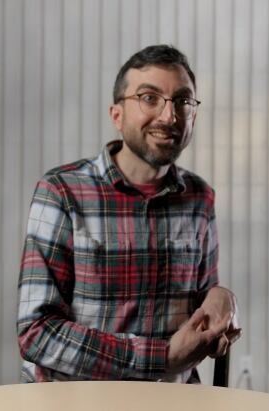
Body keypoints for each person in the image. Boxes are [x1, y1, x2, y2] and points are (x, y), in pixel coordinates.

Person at [16, 44, 240, 383]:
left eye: (182, 101)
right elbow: (36, 332)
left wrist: (221, 297)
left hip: (172, 401)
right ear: (116, 114)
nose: (169, 116)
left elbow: (201, 309)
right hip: (76, 402)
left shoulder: (200, 198)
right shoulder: (62, 192)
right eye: (149, 98)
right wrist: (159, 358)